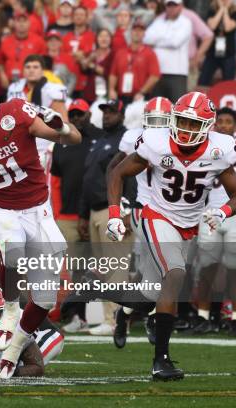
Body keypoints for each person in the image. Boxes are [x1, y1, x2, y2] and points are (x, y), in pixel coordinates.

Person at [106, 91, 236, 380]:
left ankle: (125, 311)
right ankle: (161, 360)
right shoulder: (156, 143)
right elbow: (118, 173)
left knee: (153, 292)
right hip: (156, 215)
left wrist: (222, 213)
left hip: (189, 224)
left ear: (209, 126)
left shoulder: (221, 149)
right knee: (176, 273)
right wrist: (114, 214)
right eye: (182, 121)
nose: (186, 129)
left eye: (194, 124)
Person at [0, 80, 81, 379]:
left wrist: (60, 127)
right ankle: (10, 308)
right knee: (13, 251)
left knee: (46, 297)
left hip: (38, 208)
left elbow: (73, 138)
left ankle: (14, 350)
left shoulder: (14, 111)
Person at [105, 96, 173, 348]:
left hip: (173, 213)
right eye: (152, 121)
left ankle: (124, 314)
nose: (157, 127)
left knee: (157, 272)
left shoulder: (181, 138)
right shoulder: (134, 138)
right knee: (155, 269)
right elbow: (115, 170)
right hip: (143, 210)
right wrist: (117, 205)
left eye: (162, 121)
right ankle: (151, 318)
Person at [193, 107, 236, 336]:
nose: (224, 125)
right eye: (221, 121)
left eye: (229, 121)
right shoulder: (206, 147)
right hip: (211, 213)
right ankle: (203, 316)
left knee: (235, 267)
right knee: (207, 267)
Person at [78, 99, 134, 336]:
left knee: (116, 267)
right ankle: (109, 318)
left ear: (122, 114)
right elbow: (88, 179)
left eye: (112, 112)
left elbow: (131, 176)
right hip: (94, 211)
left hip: (113, 210)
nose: (107, 115)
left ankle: (118, 322)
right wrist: (83, 215)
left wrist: (126, 210)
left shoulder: (128, 139)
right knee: (103, 268)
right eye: (104, 111)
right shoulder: (99, 140)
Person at [52, 99, 105, 333]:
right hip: (68, 213)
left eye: (79, 114)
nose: (75, 119)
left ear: (89, 114)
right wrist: (57, 211)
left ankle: (112, 316)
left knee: (99, 267)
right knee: (74, 268)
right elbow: (56, 180)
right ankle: (78, 316)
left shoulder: (100, 138)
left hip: (93, 211)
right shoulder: (61, 141)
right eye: (72, 115)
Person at [6, 54, 69, 156]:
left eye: (35, 67)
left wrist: (55, 145)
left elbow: (63, 121)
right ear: (23, 70)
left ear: (43, 71)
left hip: (45, 142)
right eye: (28, 67)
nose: (31, 70)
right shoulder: (14, 87)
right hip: (19, 142)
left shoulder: (54, 89)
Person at [144, 0, 192, 101]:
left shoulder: (186, 22)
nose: (171, 8)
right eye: (169, 5)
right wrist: (167, 38)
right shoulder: (158, 21)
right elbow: (146, 38)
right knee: (157, 107)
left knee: (177, 108)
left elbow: (175, 42)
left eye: (174, 5)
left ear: (181, 6)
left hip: (177, 73)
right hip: (157, 73)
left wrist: (156, 41)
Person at [108, 20, 161, 104]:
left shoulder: (150, 53)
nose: (137, 33)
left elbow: (154, 76)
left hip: (140, 97)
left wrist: (142, 92)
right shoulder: (121, 52)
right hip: (121, 96)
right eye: (135, 30)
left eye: (140, 31)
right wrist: (111, 89)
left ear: (144, 34)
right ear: (130, 32)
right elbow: (113, 74)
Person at [0, 11, 46, 89]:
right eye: (18, 21)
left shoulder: (38, 41)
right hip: (9, 83)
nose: (21, 24)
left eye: (24, 21)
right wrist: (2, 75)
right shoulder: (6, 41)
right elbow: (0, 62)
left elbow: (43, 64)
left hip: (30, 84)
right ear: (14, 23)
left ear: (29, 23)